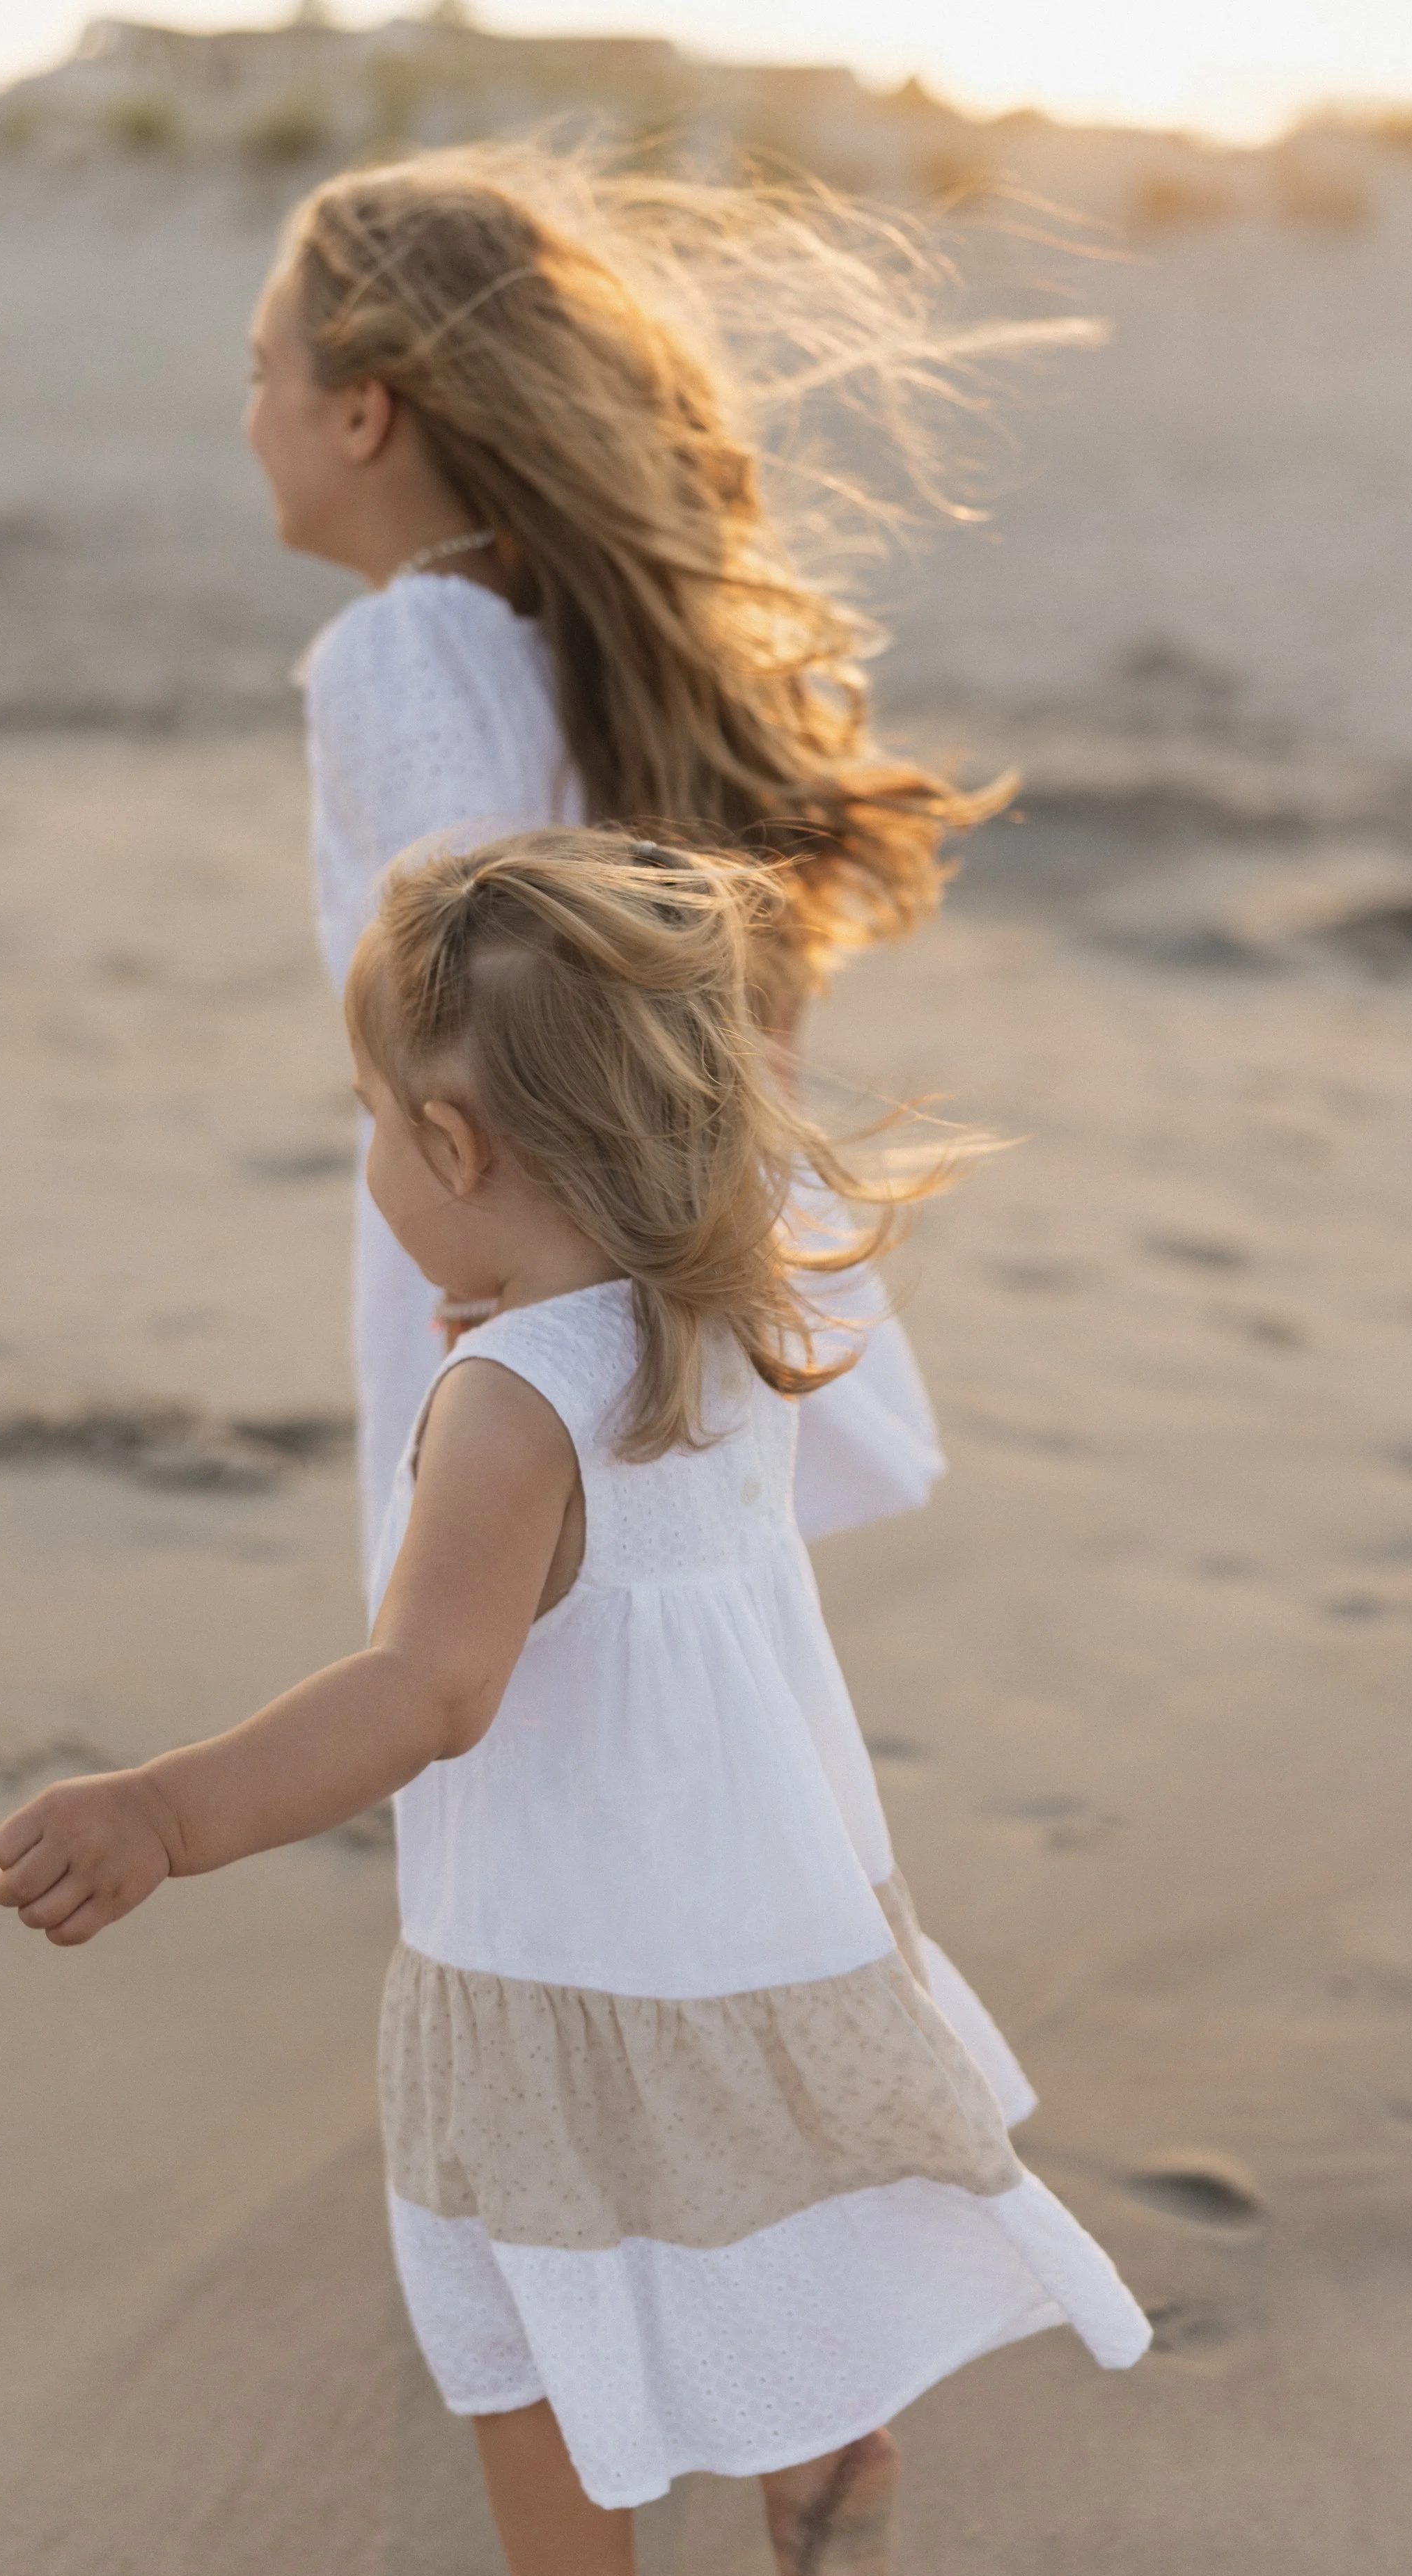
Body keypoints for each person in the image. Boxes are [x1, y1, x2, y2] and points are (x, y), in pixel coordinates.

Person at [0, 830, 1150, 2576]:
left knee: (523, 2335)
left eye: (375, 1118)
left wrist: (166, 1809)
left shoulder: (507, 1397)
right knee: (762, 2245)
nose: (375, 1151)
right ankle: (819, 2483)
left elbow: (429, 1686)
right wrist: (522, 1311)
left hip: (559, 1959)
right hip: (765, 1925)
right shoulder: (720, 1315)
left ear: (455, 1149)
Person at [243, 144, 1019, 1568]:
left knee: (473, 1657)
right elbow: (749, 1013)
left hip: (507, 1269)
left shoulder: (399, 649)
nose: (247, 418)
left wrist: (495, 1314)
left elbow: (477, 978)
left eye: (260, 374)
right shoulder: (590, 651)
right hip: (648, 1267)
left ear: (359, 412)